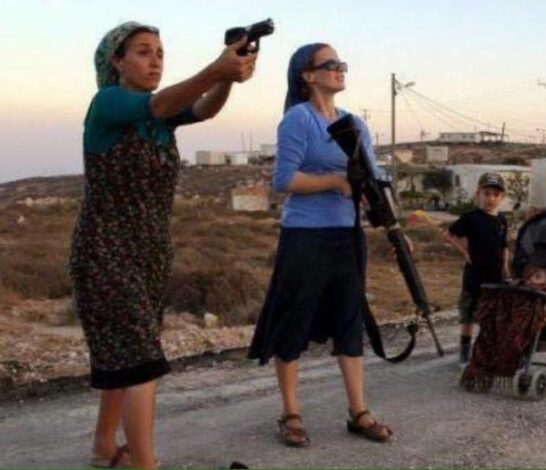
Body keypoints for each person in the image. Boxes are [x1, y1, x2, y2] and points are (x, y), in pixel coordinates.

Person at [70, 22, 257, 469]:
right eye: (142, 52)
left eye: (159, 52)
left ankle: (103, 448)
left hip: (150, 253)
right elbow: (160, 103)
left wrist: (227, 77)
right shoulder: (109, 102)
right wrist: (216, 69)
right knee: (141, 360)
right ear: (117, 62)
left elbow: (204, 108)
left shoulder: (162, 114)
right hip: (105, 251)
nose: (155, 60)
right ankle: (145, 464)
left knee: (125, 353)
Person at [248, 43, 392, 447]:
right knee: (294, 319)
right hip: (305, 235)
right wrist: (335, 182)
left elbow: (373, 178)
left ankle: (358, 411)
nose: (339, 69)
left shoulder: (354, 124)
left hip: (347, 234)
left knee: (349, 318)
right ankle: (291, 413)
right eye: (330, 65)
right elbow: (284, 179)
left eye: (341, 64)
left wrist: (392, 223)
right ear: (307, 76)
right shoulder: (298, 119)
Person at [443, 173, 510, 365]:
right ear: (478, 194)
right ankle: (465, 351)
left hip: (495, 276)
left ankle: (487, 350)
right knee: (468, 314)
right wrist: (464, 252)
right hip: (474, 275)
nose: (491, 198)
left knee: (492, 315)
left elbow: (504, 245)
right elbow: (448, 235)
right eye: (486, 194)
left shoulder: (502, 221)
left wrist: (505, 266)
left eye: (495, 195)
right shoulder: (471, 217)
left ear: (502, 197)